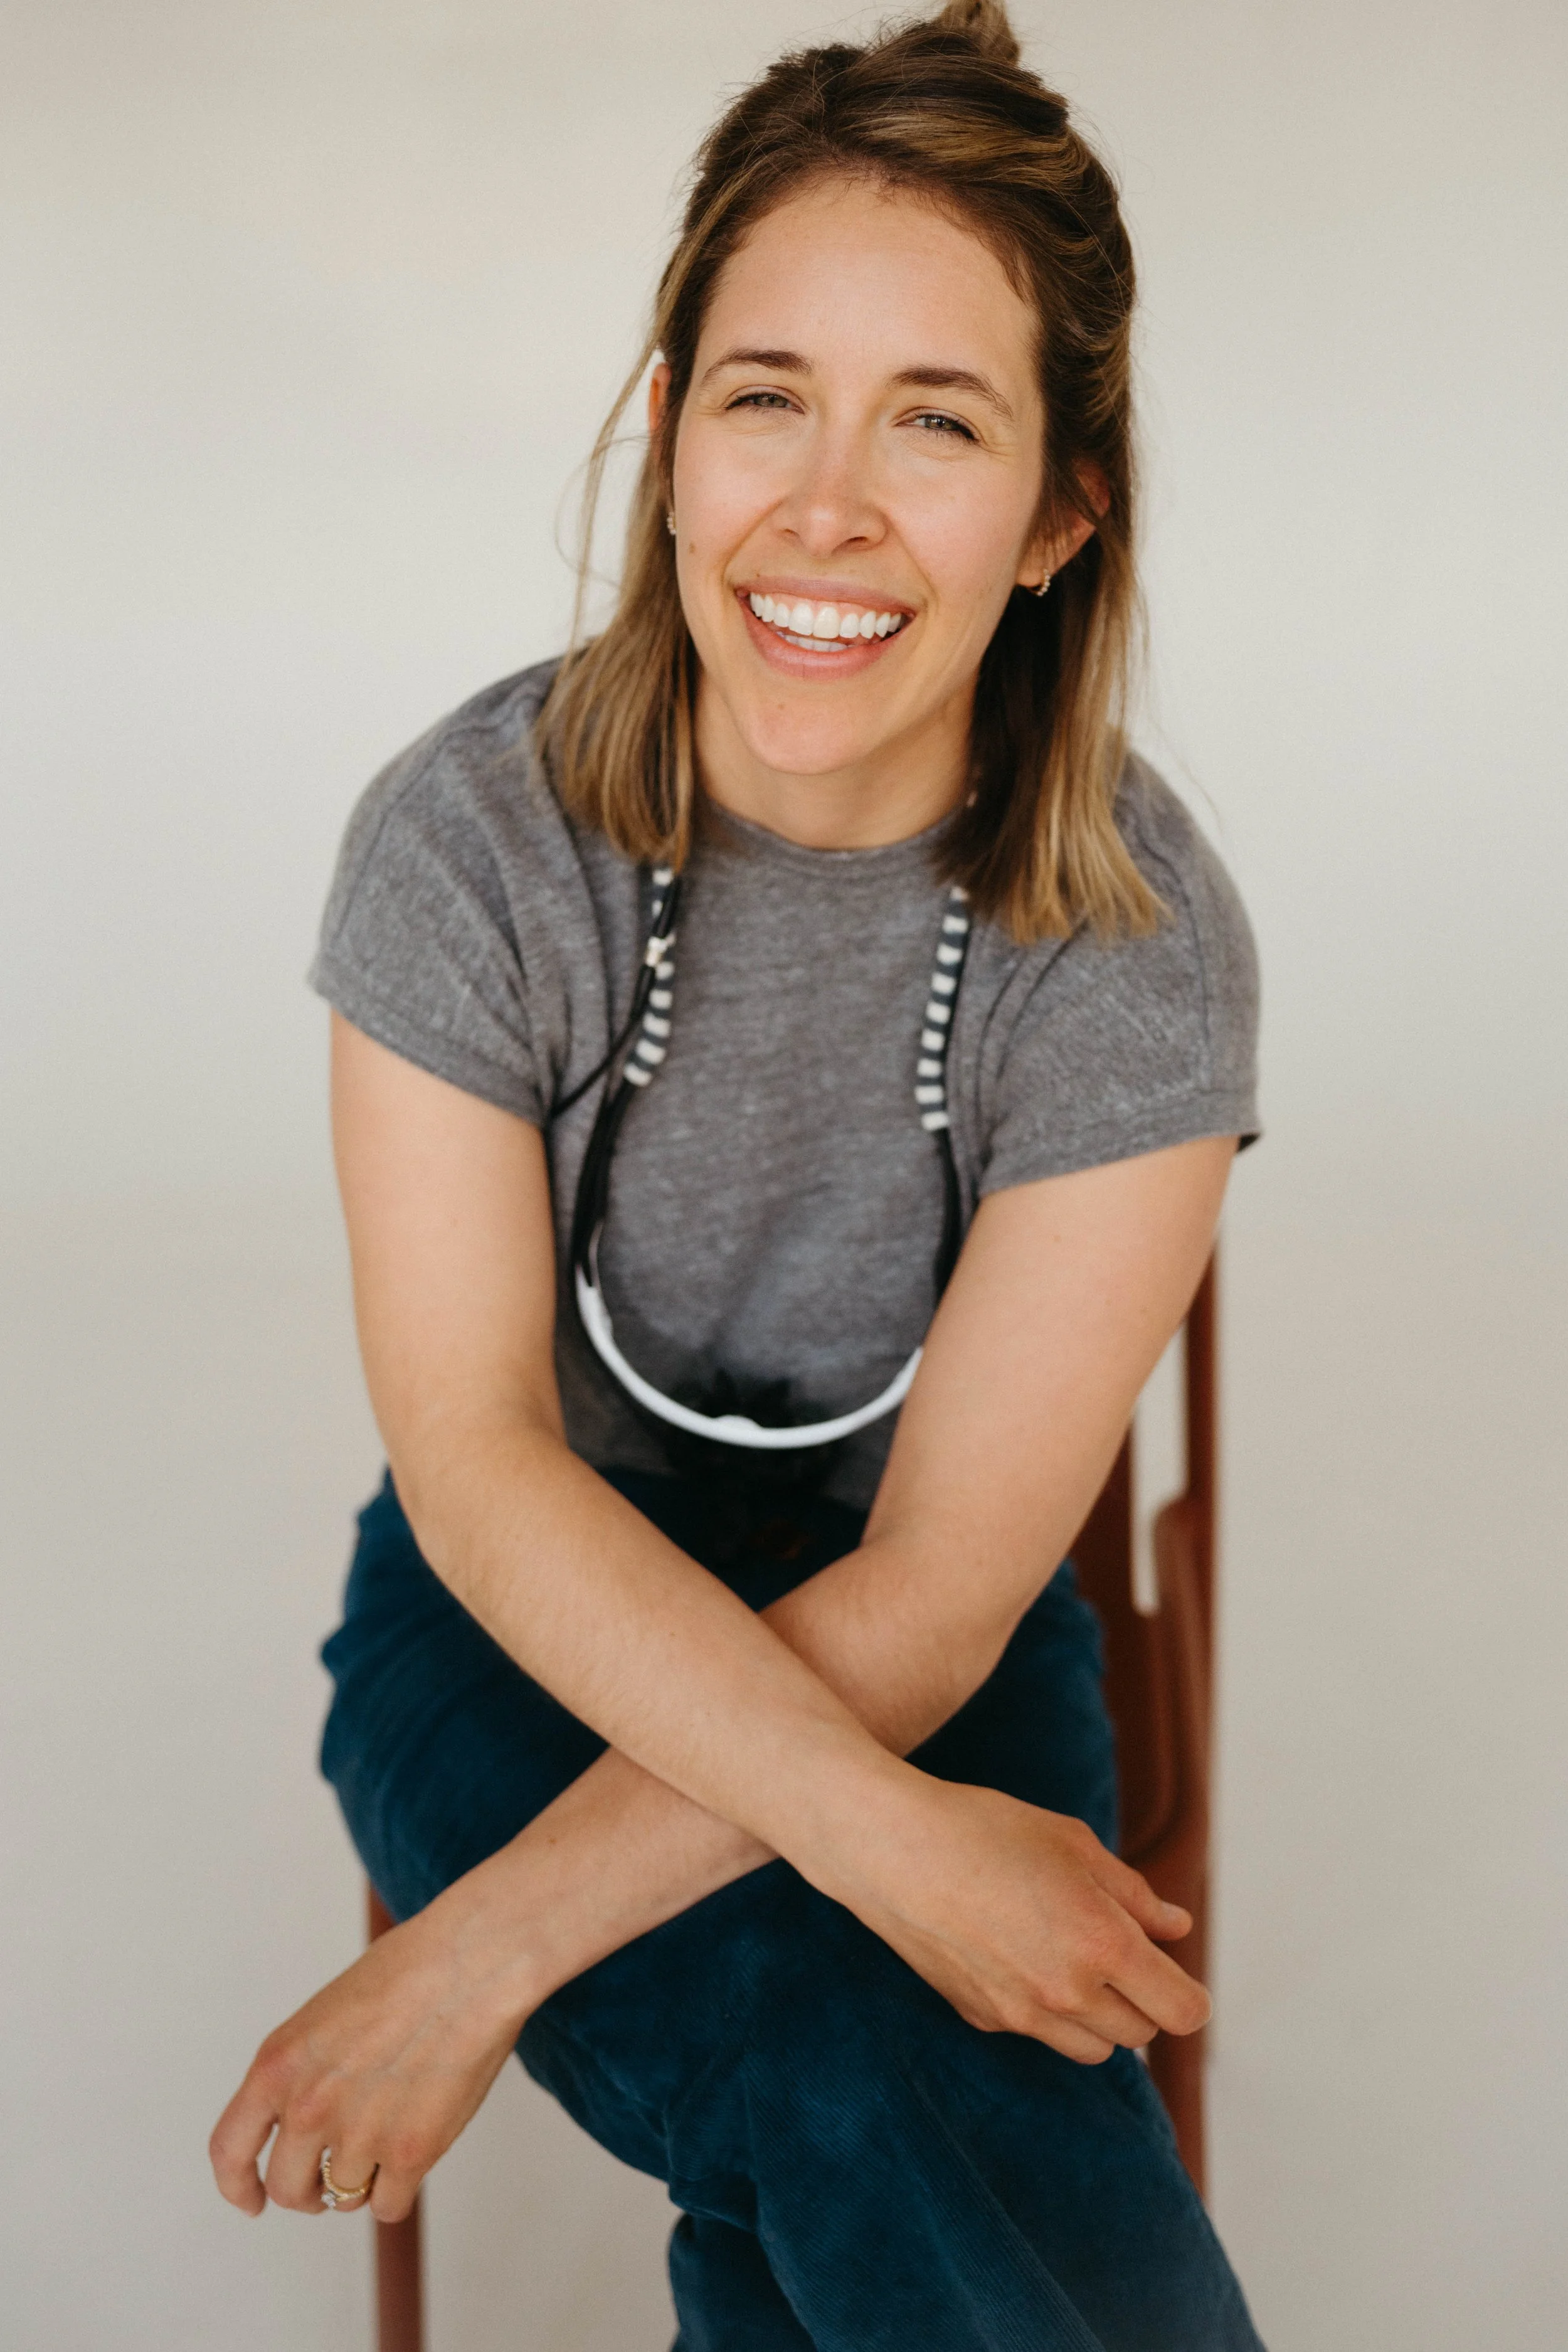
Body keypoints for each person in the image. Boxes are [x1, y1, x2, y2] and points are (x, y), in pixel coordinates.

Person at [209, 4, 1265, 2343]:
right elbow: (479, 1462)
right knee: (871, 2041)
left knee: (844, 2059)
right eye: (765, 391)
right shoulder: (472, 848)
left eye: (940, 421)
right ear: (670, 431)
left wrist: (466, 1960)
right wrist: (897, 1865)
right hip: (504, 1620)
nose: (829, 505)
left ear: (1060, 511)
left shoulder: (1136, 947)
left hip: (927, 1625)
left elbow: (939, 1596)